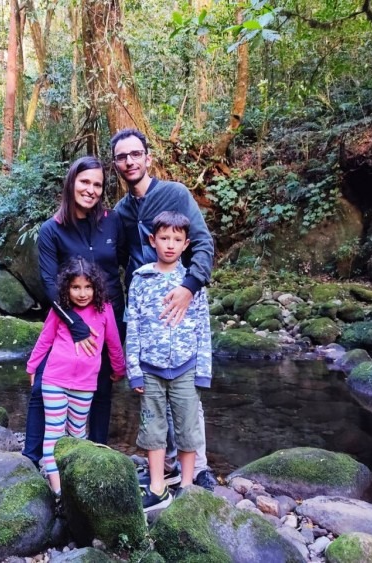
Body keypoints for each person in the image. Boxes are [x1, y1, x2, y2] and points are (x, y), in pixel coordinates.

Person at [111, 128, 218, 491]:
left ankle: (198, 467)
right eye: (122, 157)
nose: (130, 161)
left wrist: (190, 287)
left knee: (186, 387)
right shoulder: (123, 212)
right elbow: (121, 262)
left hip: (182, 299)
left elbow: (202, 242)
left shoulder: (174, 194)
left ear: (147, 157)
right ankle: (168, 466)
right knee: (154, 392)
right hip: (145, 307)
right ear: (116, 165)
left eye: (135, 154)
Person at [22, 156, 128, 468]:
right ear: (71, 183)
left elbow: (124, 262)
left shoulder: (112, 221)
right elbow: (48, 283)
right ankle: (31, 459)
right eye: (85, 182)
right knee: (42, 386)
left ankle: (92, 459)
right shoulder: (51, 230)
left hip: (109, 319)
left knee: (102, 389)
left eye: (97, 184)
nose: (91, 190)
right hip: (66, 323)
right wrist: (76, 325)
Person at [126, 211, 212, 511]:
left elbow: (203, 327)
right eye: (164, 238)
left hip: (186, 367)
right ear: (152, 240)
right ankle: (157, 486)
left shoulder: (192, 283)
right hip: (150, 368)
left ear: (187, 243)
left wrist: (203, 371)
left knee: (188, 427)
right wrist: (134, 371)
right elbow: (133, 326)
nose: (170, 245)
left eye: (177, 239)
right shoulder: (141, 279)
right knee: (153, 427)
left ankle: (187, 486)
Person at [27, 258, 126, 495]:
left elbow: (113, 343)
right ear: (66, 288)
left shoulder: (104, 310)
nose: (82, 293)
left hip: (85, 384)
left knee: (78, 434)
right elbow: (45, 339)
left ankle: (72, 478)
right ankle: (58, 488)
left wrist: (118, 369)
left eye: (88, 287)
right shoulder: (61, 310)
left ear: (96, 288)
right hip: (54, 380)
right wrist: (32, 367)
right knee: (54, 432)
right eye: (75, 287)